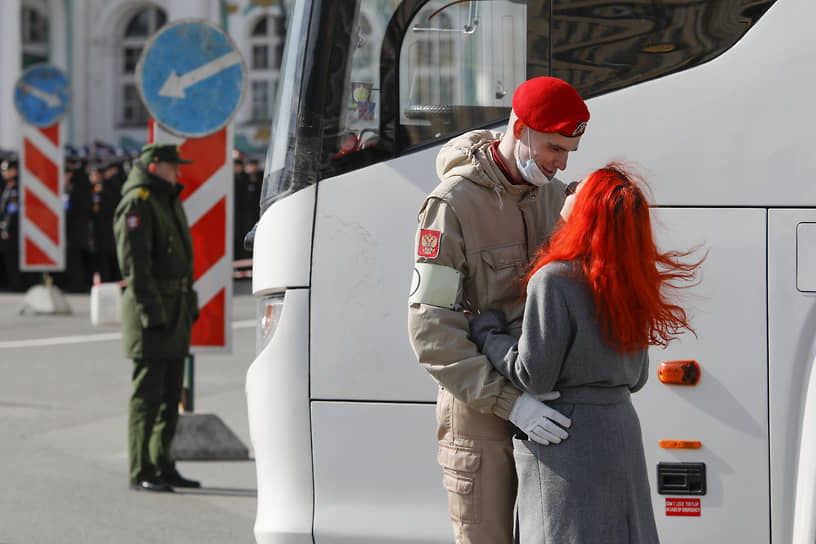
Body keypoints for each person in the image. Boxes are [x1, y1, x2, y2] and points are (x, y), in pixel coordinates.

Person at [469, 164, 704, 543]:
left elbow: (534, 375)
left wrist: (487, 331)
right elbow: (639, 377)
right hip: (620, 429)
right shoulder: (631, 279)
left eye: (580, 188)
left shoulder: (555, 279)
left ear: (588, 210)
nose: (569, 188)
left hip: (569, 440)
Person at [407, 77, 589, 544]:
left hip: (550, 405)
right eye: (552, 147)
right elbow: (432, 332)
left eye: (568, 151)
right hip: (480, 415)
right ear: (519, 127)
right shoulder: (451, 205)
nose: (560, 163)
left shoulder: (556, 196)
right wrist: (511, 403)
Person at [114, 143, 201, 492]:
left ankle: (163, 463)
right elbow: (135, 267)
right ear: (154, 167)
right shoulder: (139, 201)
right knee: (147, 396)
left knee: (170, 395)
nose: (177, 172)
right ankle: (142, 469)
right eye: (171, 166)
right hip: (152, 312)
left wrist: (187, 303)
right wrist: (152, 311)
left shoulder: (166, 198)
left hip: (175, 309)